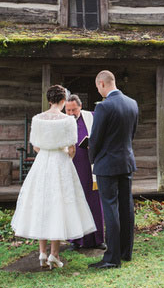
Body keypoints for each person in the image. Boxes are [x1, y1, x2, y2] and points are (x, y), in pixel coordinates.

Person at [11, 85, 96, 269]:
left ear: (49, 100)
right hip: (61, 161)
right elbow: (72, 148)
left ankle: (42, 253)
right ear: (64, 100)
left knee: (42, 204)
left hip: (42, 162)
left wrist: (46, 153)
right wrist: (67, 158)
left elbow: (35, 146)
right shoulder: (68, 120)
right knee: (59, 205)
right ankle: (54, 254)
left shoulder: (37, 119)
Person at [88, 70, 139, 269]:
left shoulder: (103, 107)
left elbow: (96, 138)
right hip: (126, 161)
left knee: (110, 208)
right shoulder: (132, 103)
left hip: (107, 164)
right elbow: (131, 134)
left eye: (97, 87)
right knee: (126, 206)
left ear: (102, 83)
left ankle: (111, 258)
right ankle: (126, 252)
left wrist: (92, 159)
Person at [65, 94, 107, 251]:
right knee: (74, 202)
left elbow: (103, 132)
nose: (70, 113)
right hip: (71, 167)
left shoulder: (92, 117)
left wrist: (94, 144)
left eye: (73, 110)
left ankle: (97, 239)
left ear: (80, 107)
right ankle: (75, 240)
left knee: (94, 202)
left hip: (90, 167)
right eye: (68, 110)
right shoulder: (62, 121)